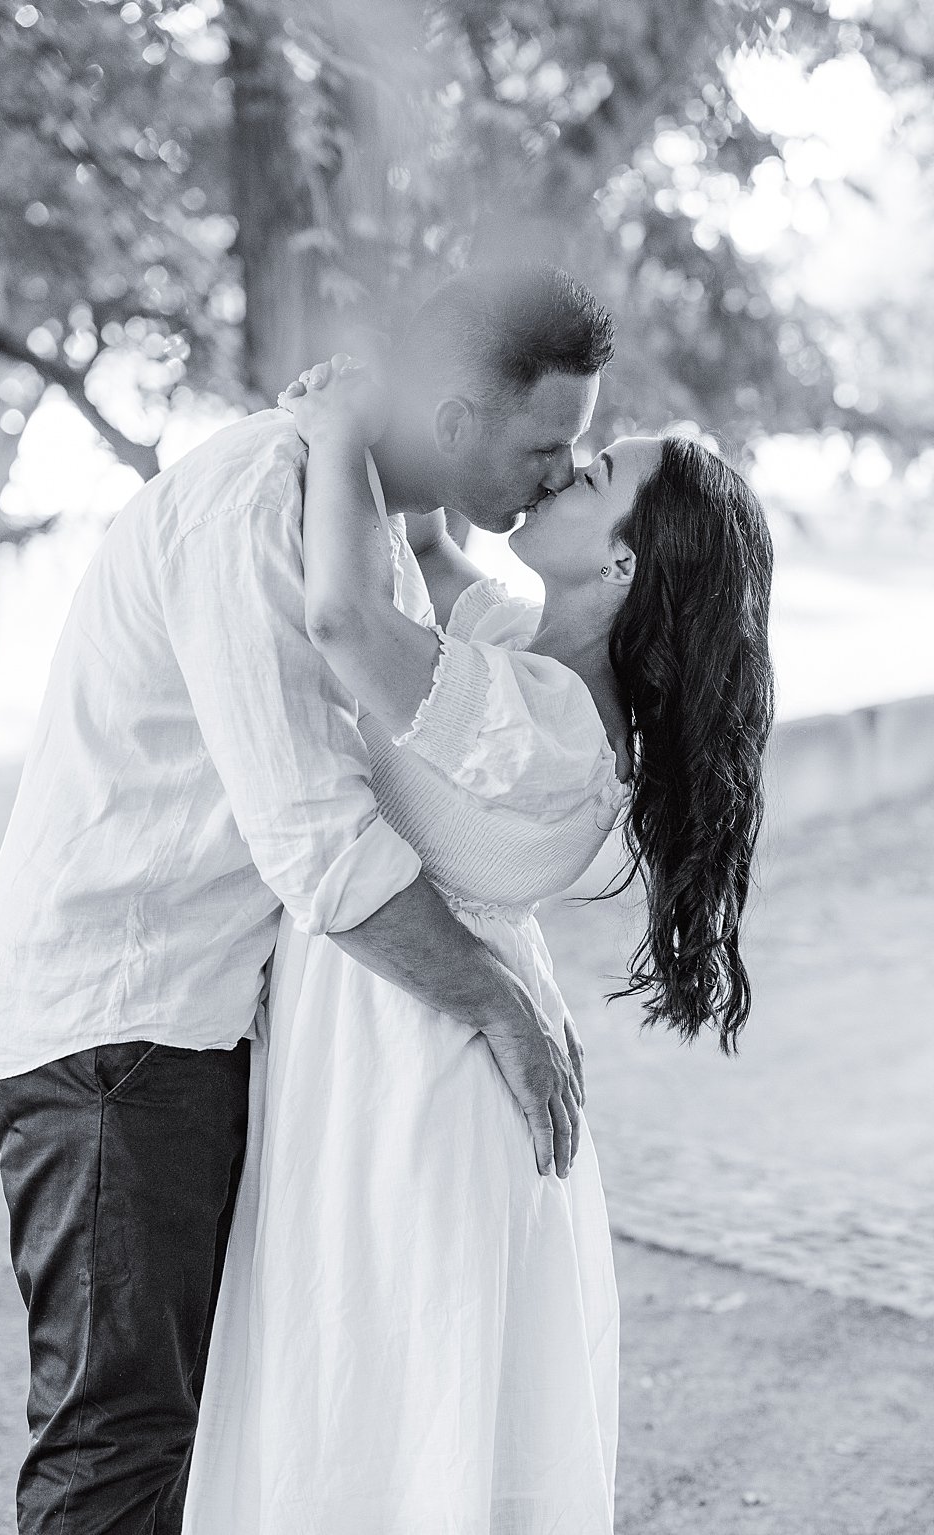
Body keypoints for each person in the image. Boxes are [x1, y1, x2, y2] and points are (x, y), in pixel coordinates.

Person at [0, 265, 610, 1534]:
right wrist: (498, 1006)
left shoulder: (360, 520)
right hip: (109, 1029)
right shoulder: (263, 497)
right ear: (458, 418)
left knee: (194, 1443)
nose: (558, 474)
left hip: (189, 1025)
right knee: (118, 1442)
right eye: (547, 444)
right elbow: (315, 839)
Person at [182, 356, 773, 1531]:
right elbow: (426, 556)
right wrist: (418, 416)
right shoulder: (527, 656)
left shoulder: (550, 721)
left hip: (418, 1077)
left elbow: (349, 619)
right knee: (369, 1406)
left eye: (591, 471)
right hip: (397, 1039)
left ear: (620, 561)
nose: (558, 472)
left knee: (388, 1421)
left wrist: (339, 421)